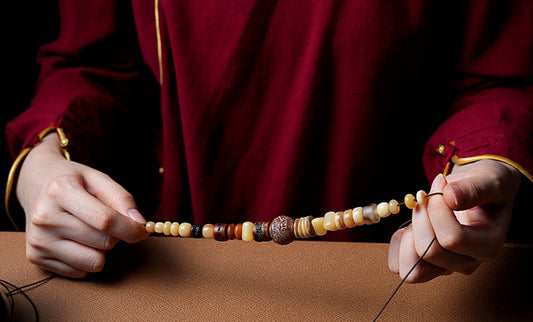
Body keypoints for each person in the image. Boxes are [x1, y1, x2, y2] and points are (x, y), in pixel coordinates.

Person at [5, 1, 533, 281]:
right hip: (167, 272)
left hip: (401, 274)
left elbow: (499, 73)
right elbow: (93, 61)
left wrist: (485, 161)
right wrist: (45, 163)